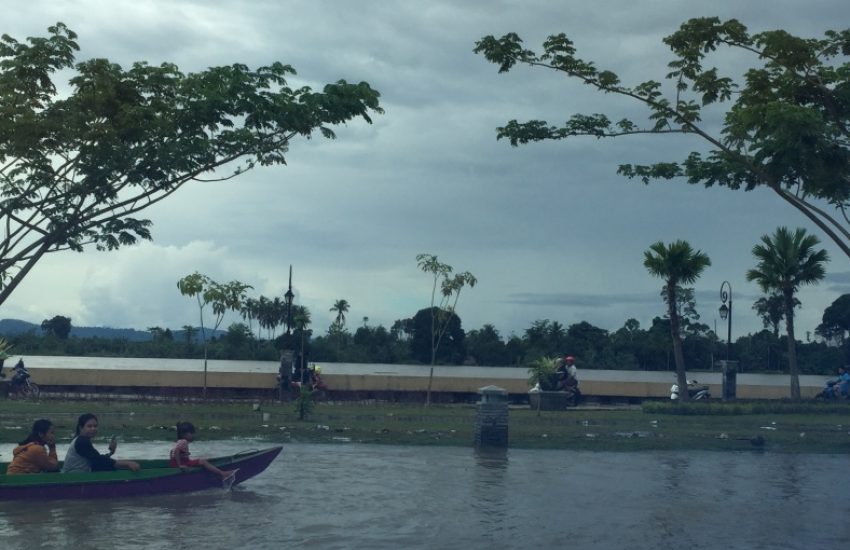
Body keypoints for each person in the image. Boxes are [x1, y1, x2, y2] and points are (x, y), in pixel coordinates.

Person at [62, 413, 141, 473]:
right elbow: (99, 460)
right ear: (81, 428)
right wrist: (127, 464)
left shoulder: (81, 440)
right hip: (72, 477)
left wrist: (111, 452)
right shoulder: (81, 441)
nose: (93, 428)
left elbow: (95, 458)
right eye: (89, 426)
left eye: (95, 426)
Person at [170, 421, 237, 483]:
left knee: (202, 459)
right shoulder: (184, 442)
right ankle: (223, 473)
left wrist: (183, 456)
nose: (193, 435)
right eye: (191, 433)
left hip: (176, 462)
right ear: (184, 434)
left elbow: (171, 452)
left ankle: (212, 468)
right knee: (202, 461)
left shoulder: (180, 441)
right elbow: (176, 451)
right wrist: (179, 465)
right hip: (180, 463)